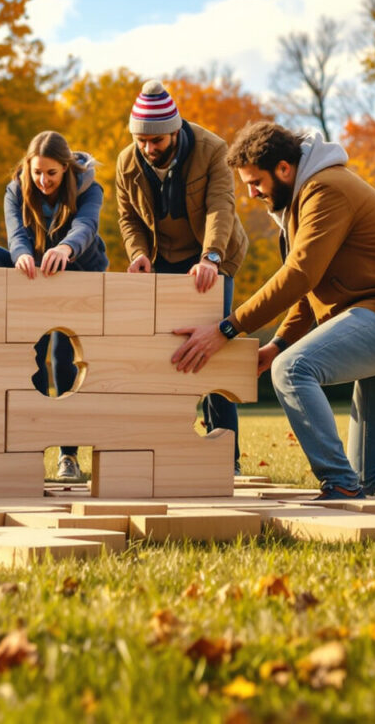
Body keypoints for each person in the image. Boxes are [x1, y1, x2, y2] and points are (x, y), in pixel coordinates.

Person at [171, 121, 375, 499]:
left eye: (256, 182)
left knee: (292, 370)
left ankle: (338, 483)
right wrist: (278, 342)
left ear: (284, 169)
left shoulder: (326, 189)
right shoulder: (305, 198)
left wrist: (227, 328)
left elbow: (300, 274)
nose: (252, 193)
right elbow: (312, 287)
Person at [115, 81, 249, 465]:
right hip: (162, 261)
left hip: (211, 259)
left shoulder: (213, 150)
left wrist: (211, 257)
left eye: (156, 141)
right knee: (163, 352)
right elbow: (128, 217)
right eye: (142, 141)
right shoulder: (127, 162)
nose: (148, 148)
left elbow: (220, 206)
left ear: (174, 131)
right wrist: (138, 253)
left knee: (213, 349)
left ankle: (227, 455)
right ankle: (167, 447)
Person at [0, 131, 108, 483]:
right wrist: (23, 254)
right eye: (37, 173)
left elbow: (86, 227)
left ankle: (68, 455)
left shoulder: (90, 190)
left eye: (51, 174)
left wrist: (65, 249)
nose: (43, 181)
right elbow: (16, 233)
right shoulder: (16, 189)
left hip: (77, 275)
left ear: (66, 170)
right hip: (34, 276)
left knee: (62, 356)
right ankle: (27, 446)